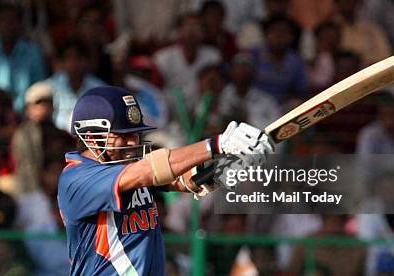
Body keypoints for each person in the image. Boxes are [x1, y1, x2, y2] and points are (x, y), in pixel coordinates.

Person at [58, 86, 274, 275]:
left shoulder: (126, 168)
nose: (133, 141)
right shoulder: (76, 180)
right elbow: (150, 170)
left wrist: (225, 168)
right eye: (122, 135)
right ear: (90, 135)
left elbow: (183, 179)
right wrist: (217, 144)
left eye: (134, 134)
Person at [0, 2, 47, 112]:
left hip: (25, 115)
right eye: (3, 20)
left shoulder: (32, 52)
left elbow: (38, 88)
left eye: (12, 21)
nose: (7, 26)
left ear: (20, 24)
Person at [153, 13, 222, 98]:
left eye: (196, 27)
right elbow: (155, 91)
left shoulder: (213, 56)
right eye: (187, 27)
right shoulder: (162, 58)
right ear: (178, 31)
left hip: (203, 108)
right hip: (170, 106)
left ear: (203, 33)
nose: (191, 31)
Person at [44, 38, 105, 131]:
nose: (73, 63)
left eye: (78, 58)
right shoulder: (50, 87)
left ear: (87, 61)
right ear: (62, 62)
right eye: (69, 58)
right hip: (56, 140)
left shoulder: (99, 89)